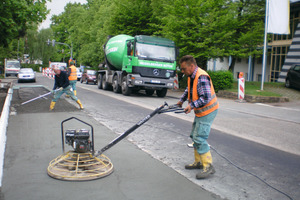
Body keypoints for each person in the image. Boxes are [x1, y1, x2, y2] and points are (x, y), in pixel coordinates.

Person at [177, 55, 219, 179]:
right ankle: (199, 162)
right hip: (201, 111)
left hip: (208, 111)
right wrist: (181, 101)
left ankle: (208, 166)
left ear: (192, 66)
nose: (182, 71)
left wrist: (191, 106)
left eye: (184, 69)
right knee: (194, 136)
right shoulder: (192, 76)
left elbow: (205, 98)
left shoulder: (202, 77)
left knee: (199, 137)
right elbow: (188, 90)